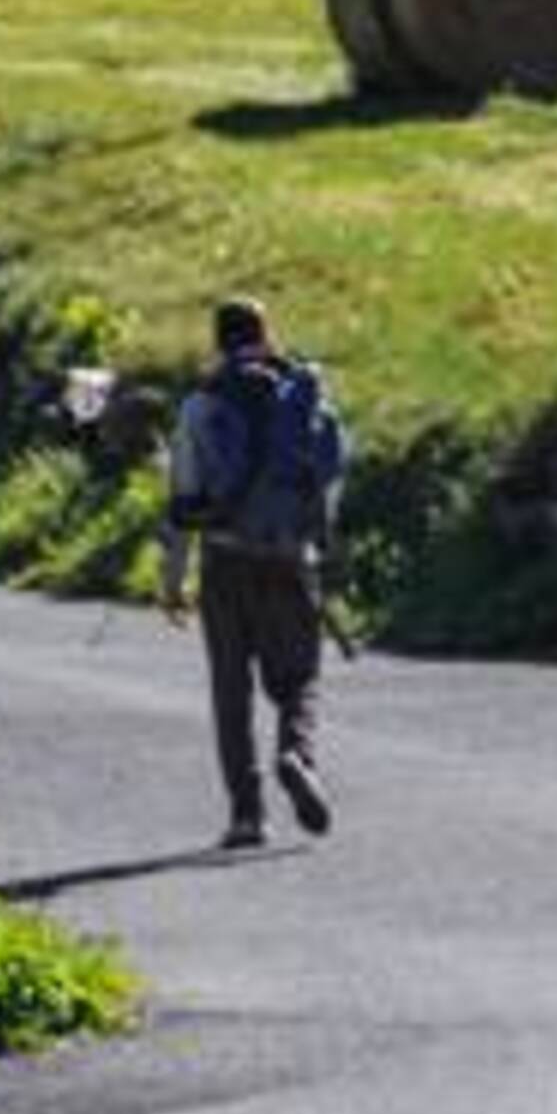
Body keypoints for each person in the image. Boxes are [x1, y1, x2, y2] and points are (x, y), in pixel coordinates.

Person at [159, 297, 349, 851]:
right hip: (292, 558)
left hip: (224, 559)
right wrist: (319, 549)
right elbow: (330, 480)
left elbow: (183, 498)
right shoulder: (306, 397)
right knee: (300, 678)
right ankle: (296, 753)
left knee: (231, 688)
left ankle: (248, 815)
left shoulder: (202, 404)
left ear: (218, 342)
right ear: (268, 334)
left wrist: (174, 579)